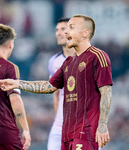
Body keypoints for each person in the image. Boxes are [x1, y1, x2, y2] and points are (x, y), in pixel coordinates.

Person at [0, 14, 113, 150]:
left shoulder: (98, 57)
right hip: (67, 132)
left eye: (71, 28)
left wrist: (103, 125)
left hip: (86, 132)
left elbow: (106, 92)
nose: (66, 32)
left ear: (85, 33)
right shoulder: (68, 63)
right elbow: (48, 86)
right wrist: (17, 83)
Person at [47, 17, 75, 150]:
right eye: (56, 30)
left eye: (62, 29)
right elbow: (55, 93)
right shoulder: (54, 61)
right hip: (59, 128)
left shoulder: (90, 59)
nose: (58, 33)